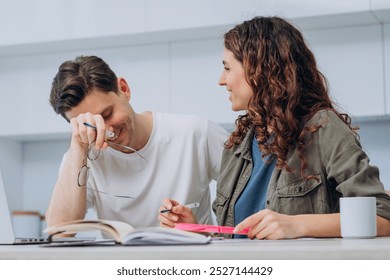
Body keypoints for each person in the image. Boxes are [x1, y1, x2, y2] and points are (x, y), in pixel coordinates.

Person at [159, 16, 390, 239]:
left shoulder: (323, 128)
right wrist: (198, 229)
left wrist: (297, 225)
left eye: (227, 68)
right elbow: (240, 237)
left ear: (258, 69)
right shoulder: (237, 144)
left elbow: (382, 216)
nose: (221, 80)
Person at [45, 55, 229, 229]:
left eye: (107, 114)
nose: (107, 130)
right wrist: (78, 148)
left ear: (124, 89)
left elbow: (252, 192)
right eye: (92, 125)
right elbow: (60, 229)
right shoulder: (81, 158)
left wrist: (208, 232)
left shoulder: (195, 132)